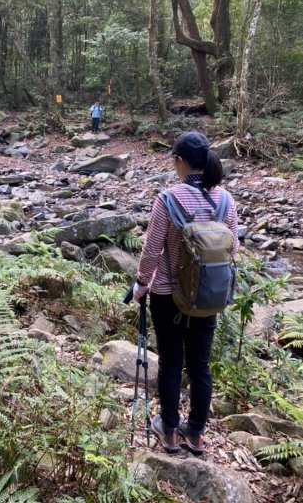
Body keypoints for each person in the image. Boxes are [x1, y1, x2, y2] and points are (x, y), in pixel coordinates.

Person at [133, 131, 239, 454]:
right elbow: (233, 248)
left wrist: (140, 283)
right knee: (200, 366)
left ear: (180, 162)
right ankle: (195, 433)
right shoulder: (225, 201)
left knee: (170, 362)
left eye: (173, 161)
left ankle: (169, 430)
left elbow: (152, 251)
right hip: (208, 297)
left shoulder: (167, 200)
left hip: (168, 295)